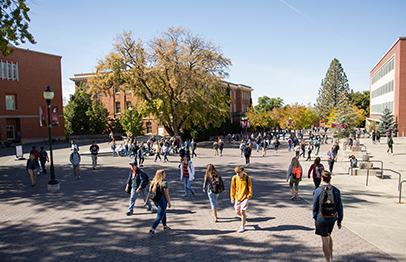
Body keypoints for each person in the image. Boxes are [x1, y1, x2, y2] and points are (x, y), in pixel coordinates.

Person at [313, 171, 343, 262]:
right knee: (329, 235)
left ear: (322, 179)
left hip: (321, 218)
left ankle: (327, 260)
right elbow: (340, 206)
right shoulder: (336, 190)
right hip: (332, 217)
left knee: (325, 238)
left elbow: (315, 206)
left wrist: (315, 216)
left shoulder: (318, 190)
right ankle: (331, 257)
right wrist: (339, 219)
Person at [144, 169, 171, 237]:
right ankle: (152, 229)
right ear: (161, 175)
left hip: (155, 200)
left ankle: (165, 225)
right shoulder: (164, 183)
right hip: (162, 200)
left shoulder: (153, 182)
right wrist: (169, 203)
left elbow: (149, 192)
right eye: (164, 174)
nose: (165, 175)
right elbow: (166, 194)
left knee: (163, 212)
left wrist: (146, 201)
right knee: (159, 216)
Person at [230, 166, 253, 233]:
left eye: (239, 173)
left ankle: (242, 226)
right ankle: (244, 217)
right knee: (237, 211)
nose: (238, 174)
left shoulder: (247, 178)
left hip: (245, 197)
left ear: (242, 171)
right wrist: (232, 197)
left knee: (242, 211)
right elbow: (232, 188)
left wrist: (248, 196)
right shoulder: (234, 178)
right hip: (237, 197)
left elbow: (250, 187)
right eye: (237, 173)